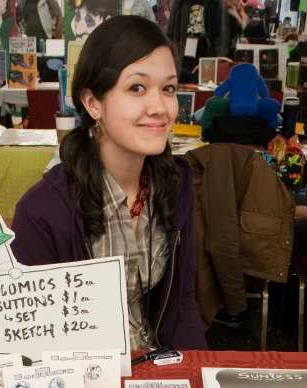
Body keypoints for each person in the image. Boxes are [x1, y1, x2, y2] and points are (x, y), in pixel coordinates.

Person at [12, 16, 206, 351]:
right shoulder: (42, 211)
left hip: (155, 362)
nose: (160, 107)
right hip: (81, 377)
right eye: (136, 88)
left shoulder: (176, 183)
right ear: (92, 103)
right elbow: (35, 343)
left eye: (169, 88)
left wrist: (196, 380)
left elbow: (183, 305)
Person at [167, 0, 223, 82]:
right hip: (181, 59)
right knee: (180, 91)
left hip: (204, 57)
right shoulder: (180, 3)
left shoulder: (214, 3)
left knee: (204, 91)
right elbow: (170, 33)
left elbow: (218, 36)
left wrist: (208, 61)